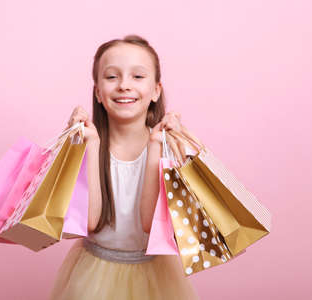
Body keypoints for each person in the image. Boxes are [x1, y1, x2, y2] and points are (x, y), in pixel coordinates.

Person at [49, 34, 200, 300]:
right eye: (111, 77)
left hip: (154, 276)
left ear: (156, 90)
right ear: (97, 92)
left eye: (138, 77)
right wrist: (90, 144)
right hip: (94, 274)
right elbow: (90, 222)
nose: (124, 85)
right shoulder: (86, 144)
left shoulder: (168, 147)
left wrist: (156, 146)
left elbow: (148, 224)